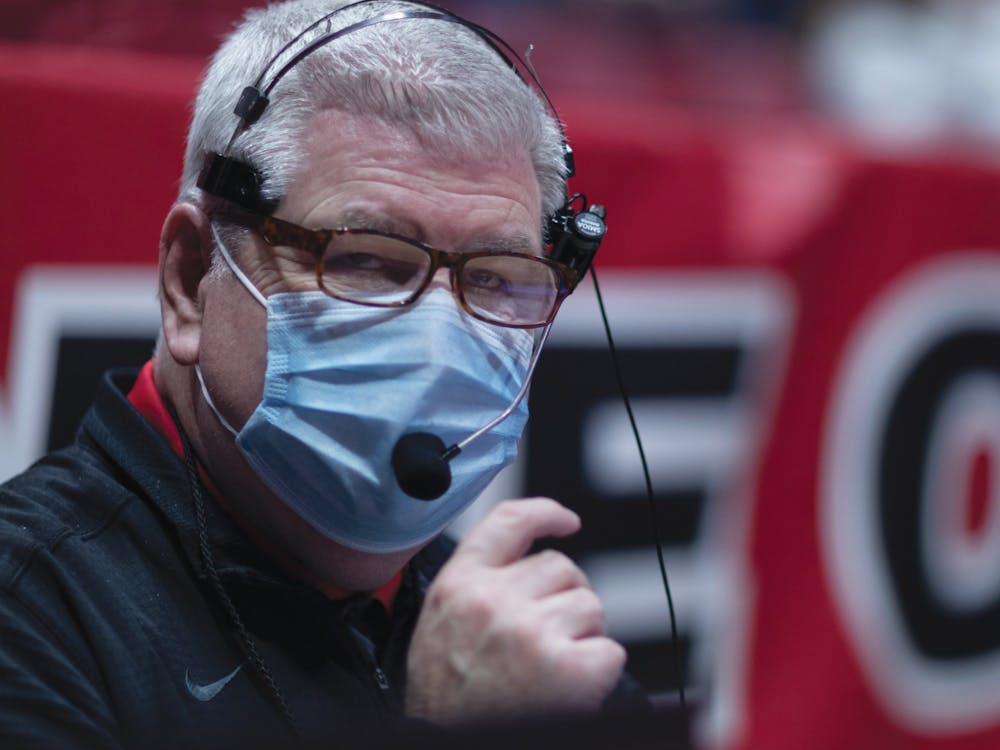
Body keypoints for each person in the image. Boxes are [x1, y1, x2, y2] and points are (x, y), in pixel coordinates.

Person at [0, 1, 639, 747]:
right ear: (190, 278)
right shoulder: (32, 614)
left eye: (497, 277)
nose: (438, 339)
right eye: (363, 257)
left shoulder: (514, 647)